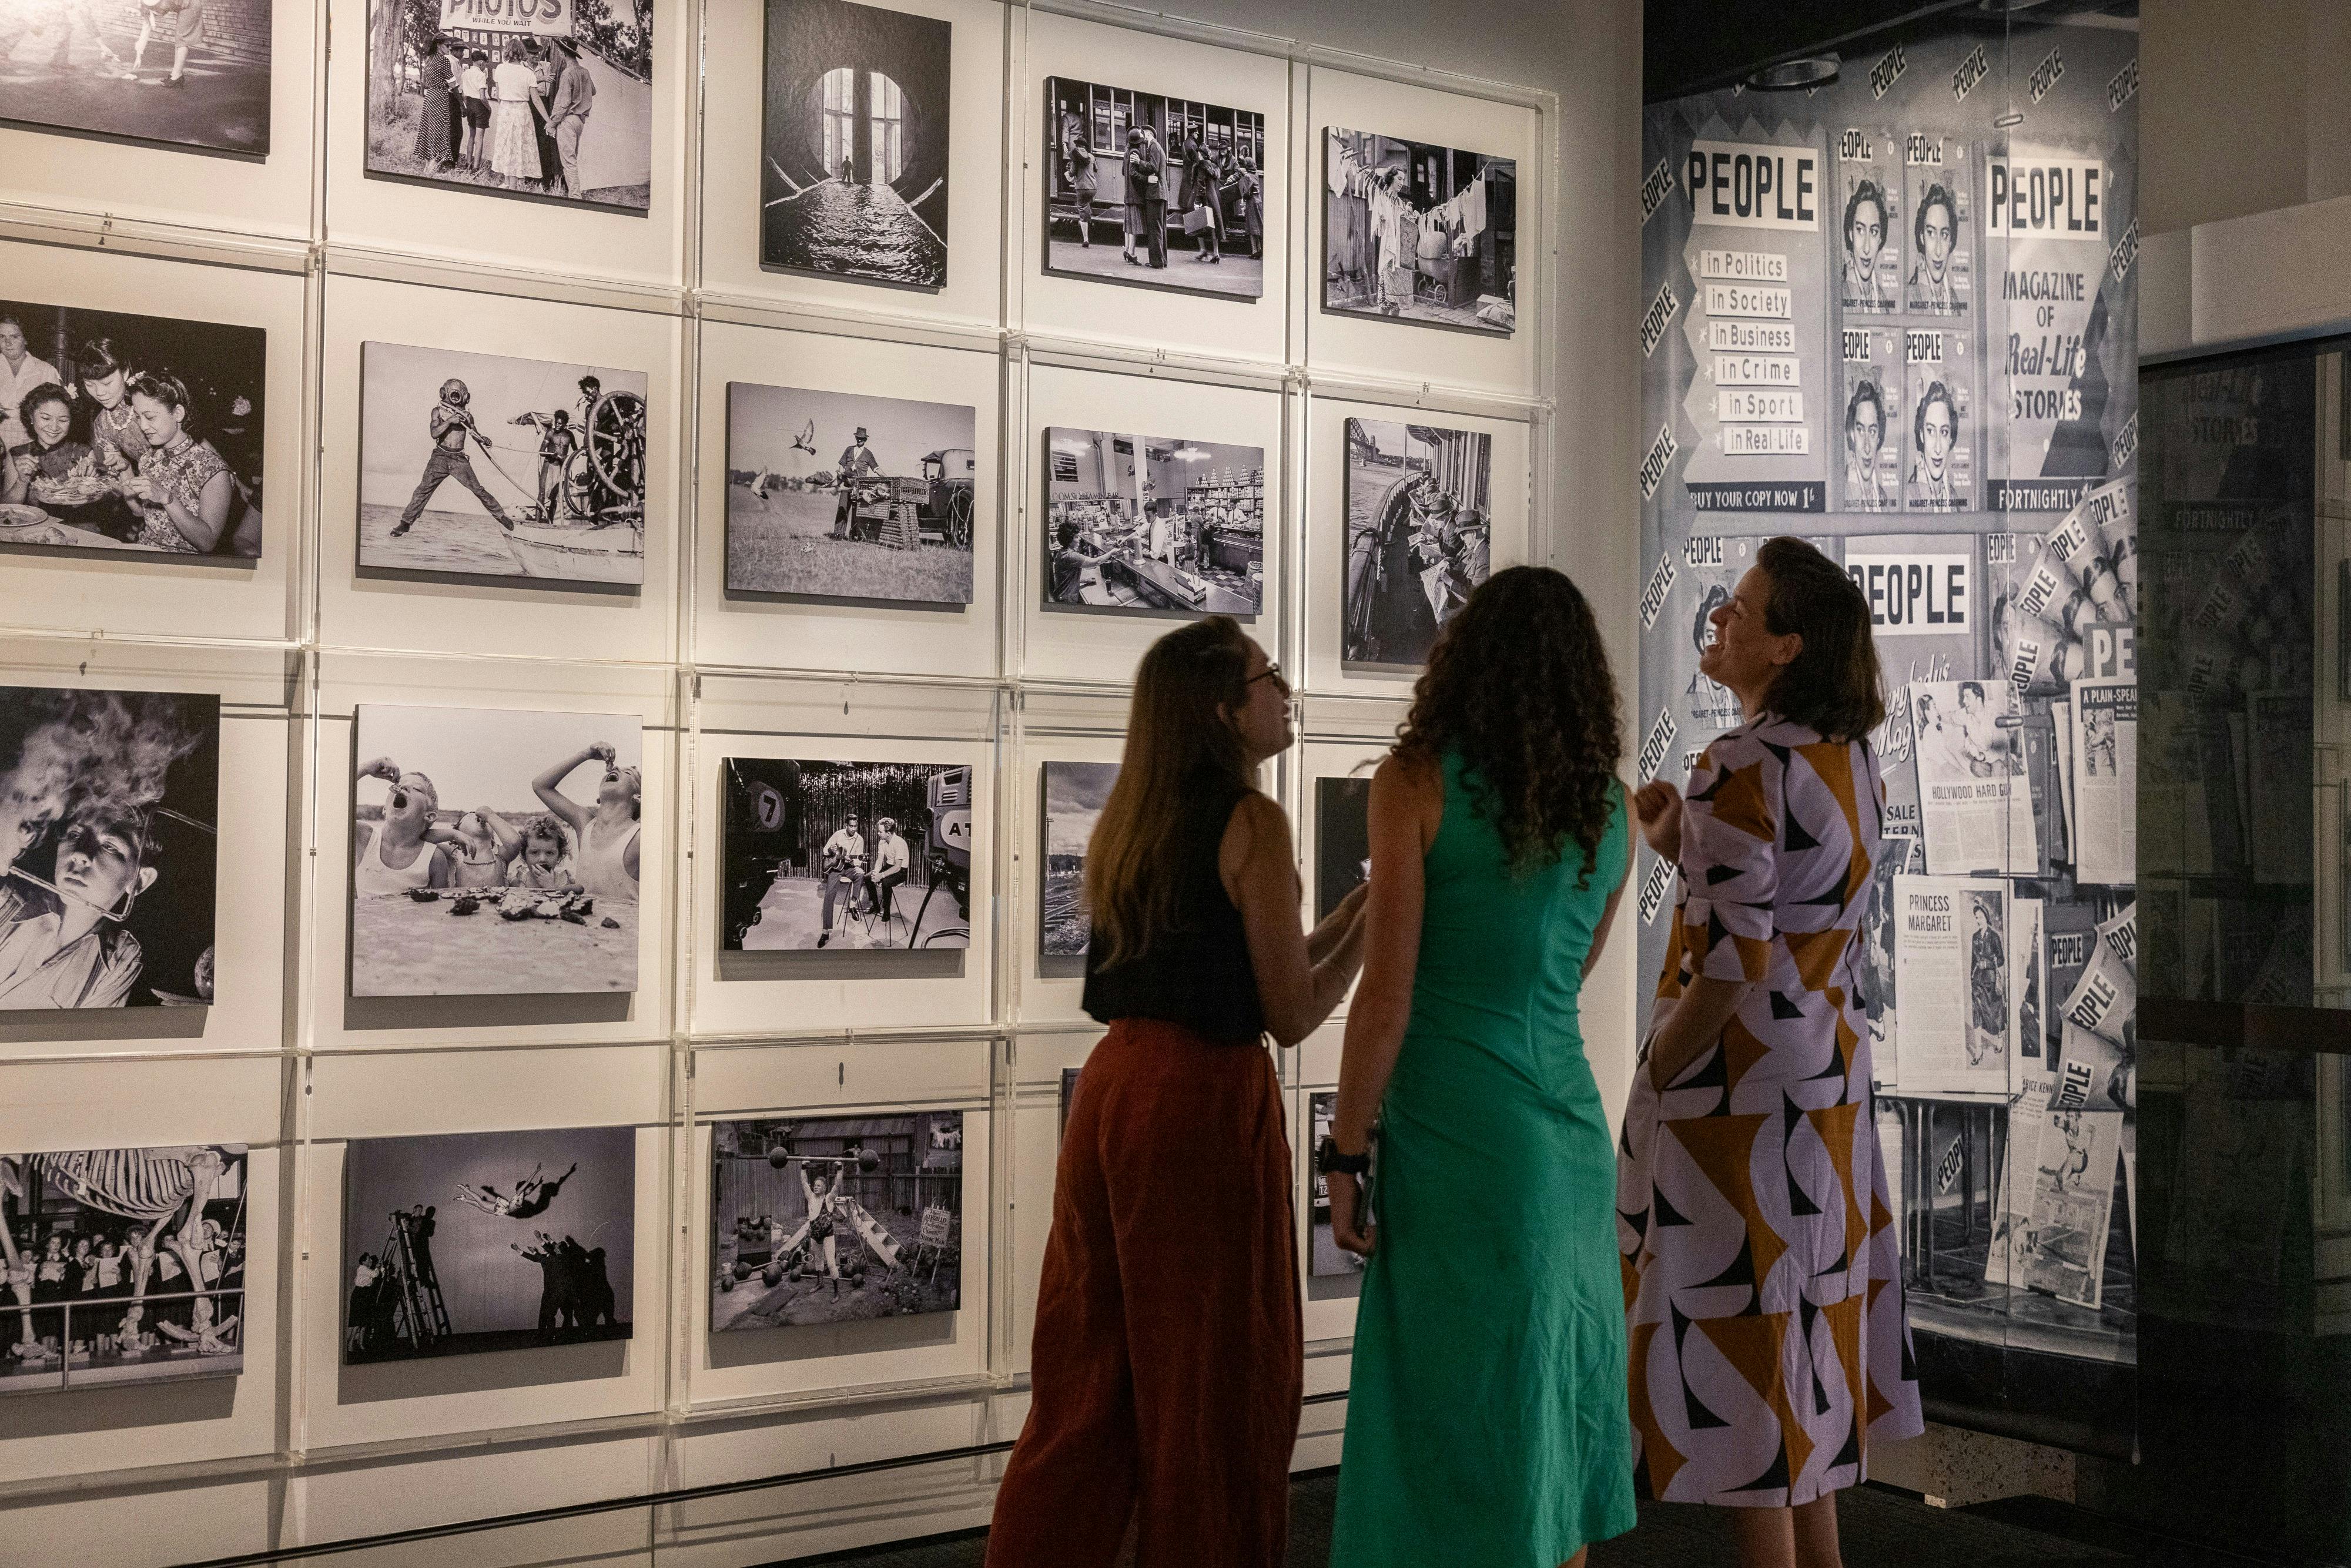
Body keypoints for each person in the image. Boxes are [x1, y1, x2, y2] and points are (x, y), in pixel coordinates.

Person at [987, 619, 1369, 1568]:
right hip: (1200, 1101)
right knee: (1213, 1373)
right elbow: (1289, 1010)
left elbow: (1255, 967)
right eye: (1266, 677)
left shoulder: (1139, 815)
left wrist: (1359, 910)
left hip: (1119, 1091)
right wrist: (1381, 926)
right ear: (1221, 708)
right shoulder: (1253, 820)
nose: (1285, 689)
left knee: (1093, 1365)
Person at [1321, 567, 1636, 1567]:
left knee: (1447, 1415)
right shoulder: (1612, 809)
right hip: (1567, 1138)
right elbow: (1570, 974)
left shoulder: (1414, 782)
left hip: (1459, 1137)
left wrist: (1344, 1149)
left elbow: (1387, 992)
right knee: (1549, 1407)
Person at [1622, 536, 1923, 1567]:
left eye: (1742, 613)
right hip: (1824, 1069)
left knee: (1749, 1361)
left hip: (1739, 1090)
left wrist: (1657, 1073)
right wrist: (1684, 847)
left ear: (1788, 645)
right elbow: (1793, 910)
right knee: (1803, 1344)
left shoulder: (1738, 761)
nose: (1721, 620)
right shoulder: (1850, 759)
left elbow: (1737, 959)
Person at [0, 802, 161, 1009]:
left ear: (139, 880)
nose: (80, 854)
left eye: (109, 846)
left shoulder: (119, 963)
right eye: (74, 836)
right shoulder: (5, 900)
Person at [115, 372, 239, 554]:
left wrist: (167, 498)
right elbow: (146, 516)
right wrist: (123, 478)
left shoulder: (212, 469)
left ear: (178, 413)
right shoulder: (148, 460)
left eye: (150, 417)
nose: (142, 427)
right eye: (138, 418)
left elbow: (208, 542)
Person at [2, 381, 135, 538]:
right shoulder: (19, 455)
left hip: (80, 531)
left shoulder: (83, 453)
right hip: (33, 532)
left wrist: (90, 485)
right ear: (31, 417)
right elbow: (7, 509)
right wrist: (22, 482)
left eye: (63, 420)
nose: (54, 427)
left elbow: (107, 505)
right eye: (46, 418)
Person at [390, 377, 517, 540]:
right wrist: (450, 421)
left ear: (465, 397)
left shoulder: (468, 416)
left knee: (478, 489)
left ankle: (500, 516)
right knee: (423, 490)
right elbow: (434, 433)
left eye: (459, 395)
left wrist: (484, 438)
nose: (456, 398)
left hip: (458, 459)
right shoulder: (438, 411)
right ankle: (405, 523)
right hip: (440, 457)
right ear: (445, 393)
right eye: (453, 394)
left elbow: (475, 434)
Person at [532, 742, 640, 903]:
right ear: (599, 797)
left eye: (629, 773)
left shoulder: (639, 836)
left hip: (622, 926)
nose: (617, 769)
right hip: (584, 925)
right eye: (617, 769)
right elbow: (540, 786)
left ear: (638, 798)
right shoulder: (585, 824)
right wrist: (585, 755)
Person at [352, 755, 452, 895]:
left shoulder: (434, 858)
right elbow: (328, 804)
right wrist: (366, 768)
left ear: (429, 816)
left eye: (417, 789)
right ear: (385, 809)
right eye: (398, 785)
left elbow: (440, 909)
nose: (403, 787)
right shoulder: (364, 837)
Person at [545, 38, 597, 201]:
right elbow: (593, 91)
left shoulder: (567, 73)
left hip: (568, 120)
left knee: (569, 162)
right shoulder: (585, 72)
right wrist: (581, 95)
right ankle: (574, 194)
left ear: (562, 53)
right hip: (580, 121)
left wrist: (551, 124)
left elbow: (562, 103)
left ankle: (575, 197)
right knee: (572, 159)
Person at [488, 39, 547, 186]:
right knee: (517, 148)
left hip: (505, 110)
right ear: (523, 53)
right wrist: (548, 119)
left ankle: (510, 183)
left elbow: (499, 94)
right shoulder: (528, 73)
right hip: (521, 111)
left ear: (507, 52)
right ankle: (511, 184)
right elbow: (537, 101)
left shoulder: (500, 69)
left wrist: (504, 109)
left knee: (507, 146)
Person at [0, 315, 61, 453]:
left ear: (25, 339)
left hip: (30, 442)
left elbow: (57, 412)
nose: (7, 343)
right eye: (2, 337)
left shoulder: (46, 370)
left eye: (14, 337)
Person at [815, 810, 868, 949]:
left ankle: (852, 905)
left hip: (849, 867)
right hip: (836, 869)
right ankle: (825, 932)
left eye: (856, 826)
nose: (853, 829)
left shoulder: (860, 839)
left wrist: (853, 861)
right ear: (846, 825)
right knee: (829, 896)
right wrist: (832, 851)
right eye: (851, 826)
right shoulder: (838, 834)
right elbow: (826, 851)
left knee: (861, 874)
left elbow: (859, 862)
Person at [514, 408, 577, 522]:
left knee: (555, 496)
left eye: (560, 424)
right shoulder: (550, 433)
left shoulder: (570, 435)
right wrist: (552, 454)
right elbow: (541, 451)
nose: (557, 426)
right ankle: (538, 522)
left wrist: (566, 458)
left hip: (561, 467)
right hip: (549, 465)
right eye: (556, 423)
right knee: (542, 493)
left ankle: (550, 522)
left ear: (565, 425)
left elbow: (576, 451)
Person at [126, 0, 204, 89]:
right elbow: (145, 31)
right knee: (179, 40)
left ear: (135, 5)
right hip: (183, 7)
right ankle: (175, 74)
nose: (132, 14)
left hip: (190, 5)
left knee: (182, 39)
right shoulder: (147, 9)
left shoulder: (149, 2)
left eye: (131, 11)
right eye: (129, 13)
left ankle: (177, 76)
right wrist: (139, 55)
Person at [1908, 381, 1960, 509]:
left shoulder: (1952, 496)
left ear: (1951, 439)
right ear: (1922, 435)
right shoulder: (1909, 496)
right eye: (1930, 431)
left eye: (1944, 432)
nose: (1938, 449)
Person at [1908, 184, 1960, 311]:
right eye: (1931, 233)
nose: (1938, 251)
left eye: (1944, 235)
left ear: (1950, 241)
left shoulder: (1953, 298)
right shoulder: (1910, 296)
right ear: (1922, 238)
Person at [1843, 380, 1893, 508]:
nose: (1866, 448)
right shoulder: (1842, 494)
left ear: (1878, 438)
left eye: (1872, 431)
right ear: (1852, 435)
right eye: (1860, 430)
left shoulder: (1882, 497)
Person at [1841, 179, 1891, 306]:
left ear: (1880, 239)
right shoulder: (1839, 293)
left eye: (1874, 232)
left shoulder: (1882, 299)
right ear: (1851, 234)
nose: (1867, 248)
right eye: (1860, 230)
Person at [1126, 128, 1168, 270]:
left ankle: (1157, 262)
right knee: (1160, 229)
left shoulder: (1154, 146)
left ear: (1149, 134)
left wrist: (1139, 162)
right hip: (1160, 193)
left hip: (1155, 193)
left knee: (1154, 229)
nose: (1141, 136)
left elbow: (1153, 167)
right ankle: (1162, 261)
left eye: (1143, 133)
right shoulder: (1156, 147)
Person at [831, 425, 882, 538]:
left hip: (860, 486)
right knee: (843, 508)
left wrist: (887, 477)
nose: (860, 440)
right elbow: (841, 465)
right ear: (856, 438)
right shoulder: (849, 449)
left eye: (862, 438)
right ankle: (838, 534)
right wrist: (840, 477)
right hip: (846, 484)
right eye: (858, 437)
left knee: (857, 511)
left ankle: (854, 535)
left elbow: (877, 469)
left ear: (866, 440)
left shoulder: (868, 454)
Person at [414, 34, 456, 170]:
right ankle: (433, 165)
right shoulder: (444, 61)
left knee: (429, 129)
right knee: (439, 131)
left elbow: (426, 80)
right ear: (439, 45)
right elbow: (453, 83)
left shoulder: (429, 59)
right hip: (440, 97)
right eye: (447, 45)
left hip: (430, 96)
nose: (450, 48)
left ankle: (428, 165)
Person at [1181, 132, 1222, 263]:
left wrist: (1197, 202)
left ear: (1202, 155)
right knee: (1213, 224)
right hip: (1213, 198)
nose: (1197, 155)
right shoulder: (1214, 167)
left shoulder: (1201, 166)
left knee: (1198, 223)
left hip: (1202, 198)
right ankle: (1216, 253)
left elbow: (1201, 185)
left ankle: (1203, 250)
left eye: (1199, 153)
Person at [869, 816, 910, 939]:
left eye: (880, 832)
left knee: (886, 883)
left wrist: (881, 876)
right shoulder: (882, 841)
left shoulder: (899, 843)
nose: (878, 833)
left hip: (901, 871)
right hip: (888, 867)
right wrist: (876, 873)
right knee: (868, 878)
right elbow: (880, 860)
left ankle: (886, 910)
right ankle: (876, 906)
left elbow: (897, 867)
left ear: (889, 833)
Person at [459, 50, 493, 172]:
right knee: (480, 139)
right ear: (481, 62)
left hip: (470, 104)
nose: (485, 68)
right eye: (485, 65)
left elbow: (463, 94)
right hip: (480, 105)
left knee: (471, 136)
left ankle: (468, 163)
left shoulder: (465, 74)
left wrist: (467, 107)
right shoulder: (481, 75)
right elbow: (483, 97)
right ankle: (476, 167)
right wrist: (489, 108)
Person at [1233, 153, 1264, 259]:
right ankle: (1259, 249)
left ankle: (1254, 251)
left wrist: (1244, 199)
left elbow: (1247, 192)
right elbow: (1250, 178)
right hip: (1258, 200)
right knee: (1258, 226)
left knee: (1251, 227)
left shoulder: (1247, 176)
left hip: (1251, 202)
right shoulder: (1256, 174)